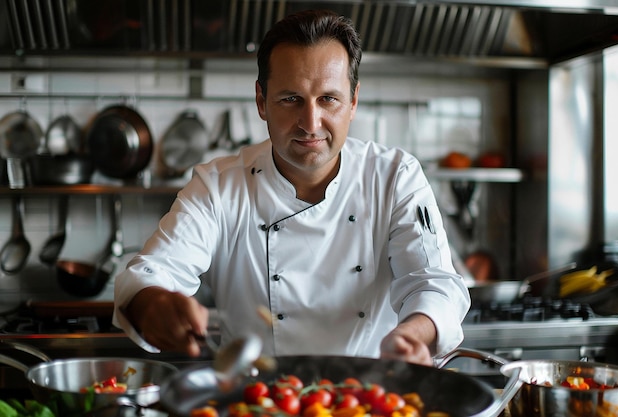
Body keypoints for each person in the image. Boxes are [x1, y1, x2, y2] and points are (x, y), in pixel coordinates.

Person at [113, 9, 470, 366]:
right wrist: (155, 303)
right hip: (259, 398)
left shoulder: (395, 177)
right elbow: (152, 272)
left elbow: (434, 283)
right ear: (261, 101)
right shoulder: (219, 186)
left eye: (328, 99)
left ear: (353, 101)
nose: (310, 124)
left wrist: (414, 332)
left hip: (370, 395)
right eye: (290, 99)